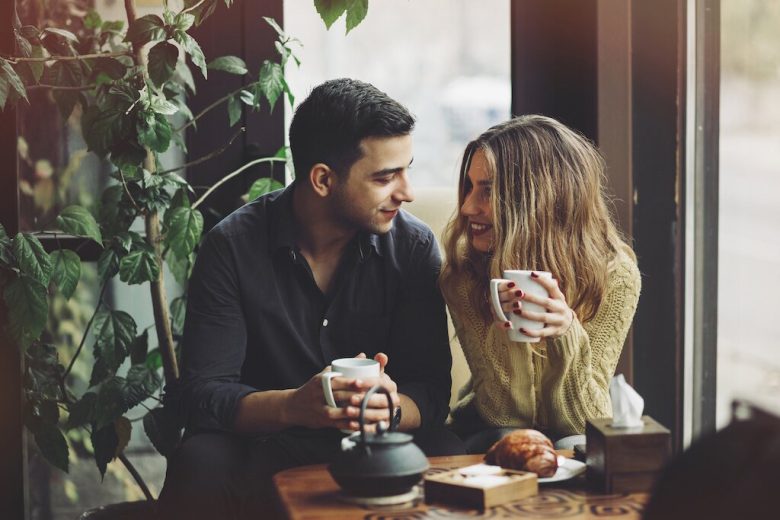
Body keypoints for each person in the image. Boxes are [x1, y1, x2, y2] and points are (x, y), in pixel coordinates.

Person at [157, 78, 462, 519]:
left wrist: (389, 408)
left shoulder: (413, 248)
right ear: (323, 179)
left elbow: (431, 392)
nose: (407, 192)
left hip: (380, 444)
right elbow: (204, 395)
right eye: (385, 177)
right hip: (266, 440)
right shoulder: (232, 246)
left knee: (446, 450)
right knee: (200, 460)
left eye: (406, 169)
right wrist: (294, 406)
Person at [440, 115, 641, 453]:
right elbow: (503, 414)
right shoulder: (464, 273)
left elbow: (583, 423)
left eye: (487, 191)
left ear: (539, 199)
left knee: (581, 448)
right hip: (486, 430)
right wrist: (510, 329)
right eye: (469, 187)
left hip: (572, 433)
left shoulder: (616, 275)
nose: (467, 206)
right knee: (508, 442)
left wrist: (566, 334)